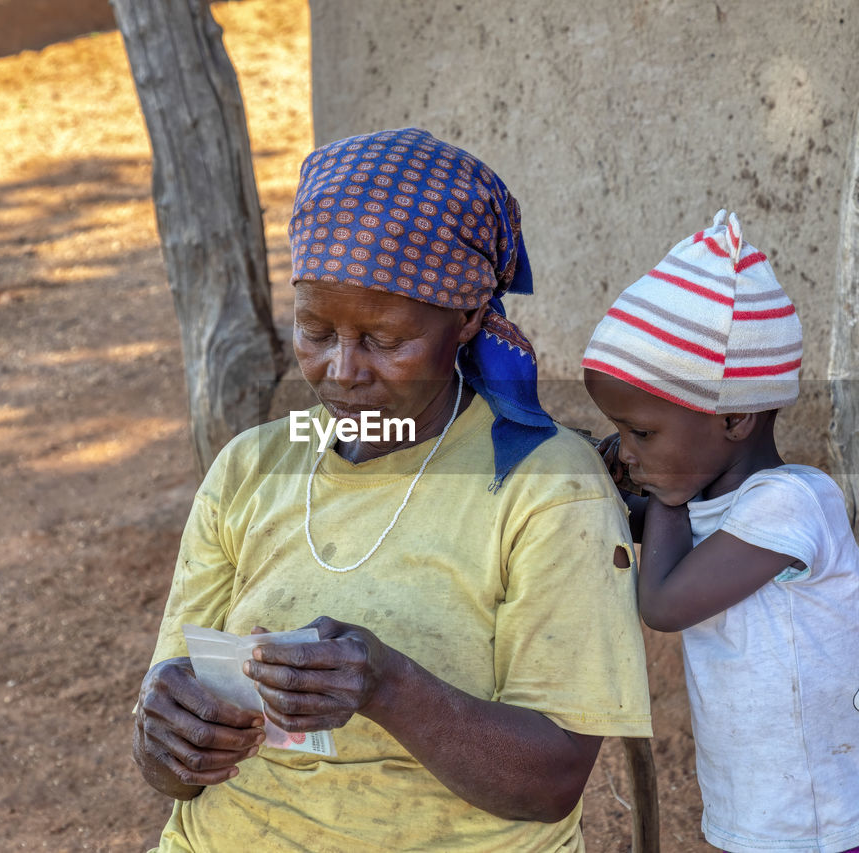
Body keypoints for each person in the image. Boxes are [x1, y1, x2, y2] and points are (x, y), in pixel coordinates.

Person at [133, 127, 653, 852]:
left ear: (466, 317)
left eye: (382, 339)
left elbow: (553, 779)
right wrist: (168, 734)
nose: (342, 370)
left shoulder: (544, 487)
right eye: (315, 329)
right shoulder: (251, 468)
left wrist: (389, 687)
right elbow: (171, 767)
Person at [582, 210, 859, 853]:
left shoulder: (794, 503)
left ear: (736, 417)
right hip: (770, 827)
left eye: (642, 432)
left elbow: (663, 604)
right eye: (622, 430)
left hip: (852, 827)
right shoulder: (713, 506)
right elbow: (618, 522)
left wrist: (663, 492)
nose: (628, 452)